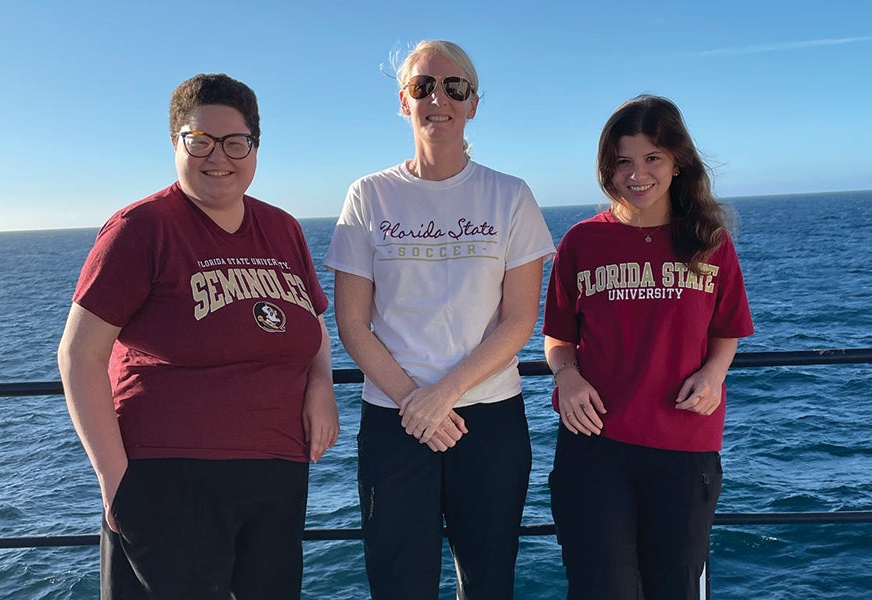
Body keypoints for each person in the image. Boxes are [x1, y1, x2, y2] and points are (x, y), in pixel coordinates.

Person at [56, 73, 338, 599]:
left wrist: (321, 384)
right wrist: (116, 484)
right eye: (200, 141)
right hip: (168, 481)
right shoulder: (141, 228)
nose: (219, 157)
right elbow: (78, 356)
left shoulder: (283, 229)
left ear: (255, 147)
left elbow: (312, 323)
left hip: (276, 476)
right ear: (175, 143)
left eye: (235, 142)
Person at [324, 40, 555, 600]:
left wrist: (442, 396)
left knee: (488, 582)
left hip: (490, 419)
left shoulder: (510, 196)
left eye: (454, 87)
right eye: (423, 86)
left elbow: (519, 319)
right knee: (398, 585)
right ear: (404, 102)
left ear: (473, 103)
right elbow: (352, 324)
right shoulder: (368, 196)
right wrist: (415, 402)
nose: (438, 98)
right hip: (395, 419)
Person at [543, 94, 754, 599]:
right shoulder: (581, 242)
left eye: (652, 157)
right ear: (607, 168)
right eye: (622, 161)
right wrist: (567, 376)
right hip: (594, 444)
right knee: (601, 588)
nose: (637, 174)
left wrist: (713, 374)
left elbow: (727, 329)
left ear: (677, 161)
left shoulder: (709, 241)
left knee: (674, 587)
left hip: (684, 444)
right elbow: (558, 337)